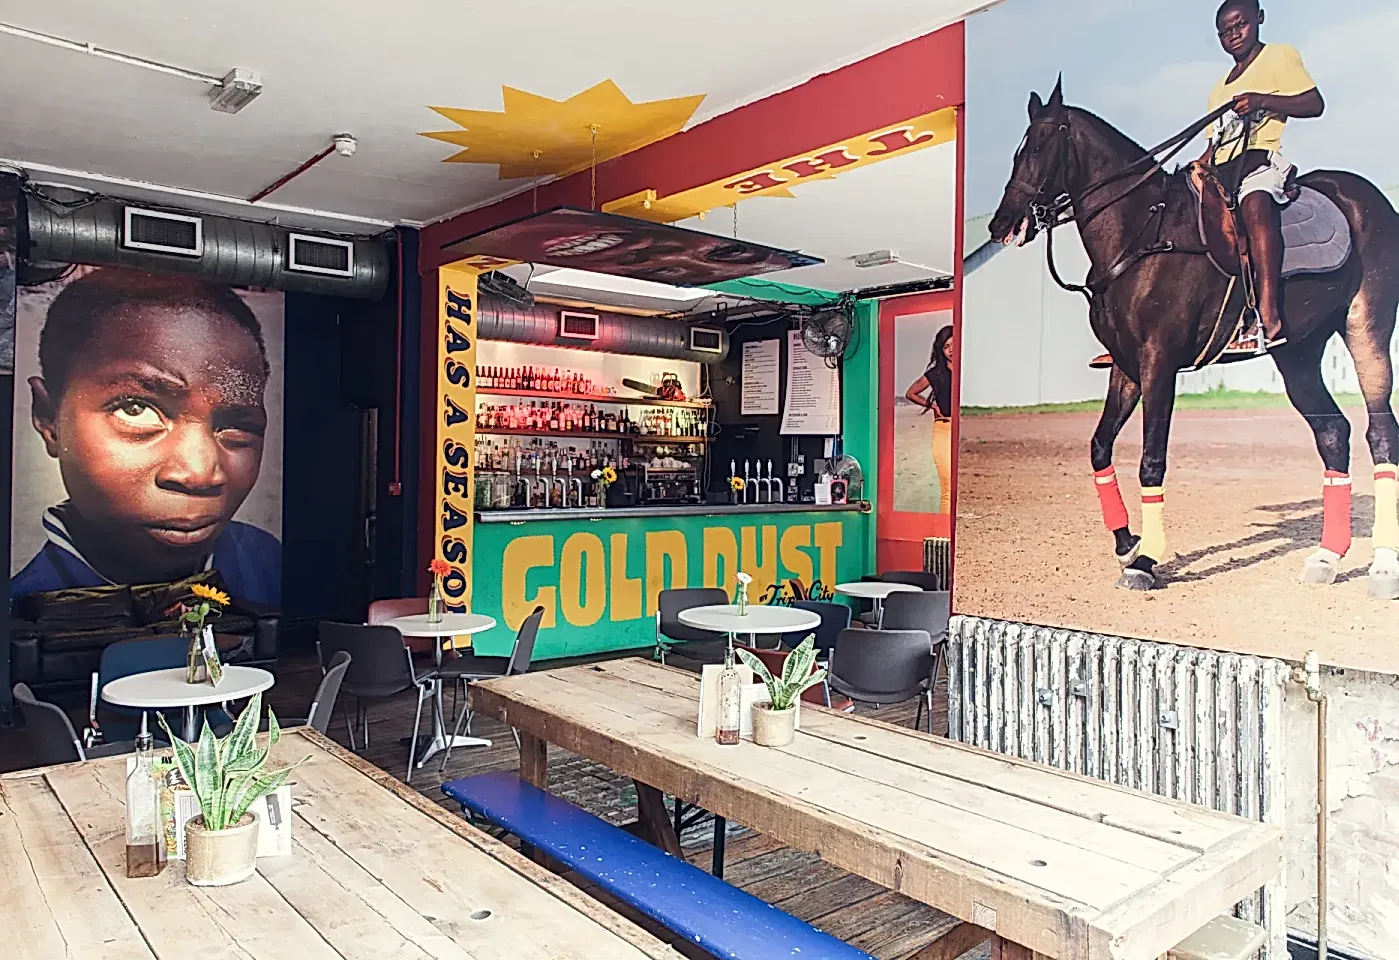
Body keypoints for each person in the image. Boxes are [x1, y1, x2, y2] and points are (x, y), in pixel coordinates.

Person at [10, 268, 281, 605]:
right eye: (135, 409)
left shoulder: (268, 562)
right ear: (49, 418)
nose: (200, 474)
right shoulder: (22, 612)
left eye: (236, 425)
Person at [1088, 0, 1323, 368]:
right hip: (1223, 169)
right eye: (1225, 32)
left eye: (1240, 25)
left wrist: (1262, 99)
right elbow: (1214, 145)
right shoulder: (1219, 88)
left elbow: (1314, 103)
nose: (1233, 35)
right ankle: (1135, 336)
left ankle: (1267, 313)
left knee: (1255, 205)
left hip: (1261, 160)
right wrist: (1197, 166)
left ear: (1259, 19)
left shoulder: (1279, 57)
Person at [903, 325, 955, 514]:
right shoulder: (936, 373)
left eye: (954, 344)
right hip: (944, 429)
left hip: (964, 432)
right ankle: (945, 533)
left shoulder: (966, 371)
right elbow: (911, 392)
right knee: (948, 487)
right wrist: (933, 406)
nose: (951, 350)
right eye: (946, 346)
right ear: (941, 350)